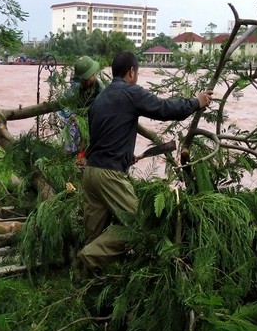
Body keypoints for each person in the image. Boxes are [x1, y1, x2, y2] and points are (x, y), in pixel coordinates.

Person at [76, 51, 212, 279]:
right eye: (137, 72)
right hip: (110, 175)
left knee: (95, 235)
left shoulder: (99, 100)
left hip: (91, 173)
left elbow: (101, 137)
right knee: (136, 225)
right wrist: (195, 102)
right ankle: (88, 257)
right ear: (131, 72)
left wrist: (124, 155)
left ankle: (87, 285)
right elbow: (164, 109)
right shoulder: (130, 93)